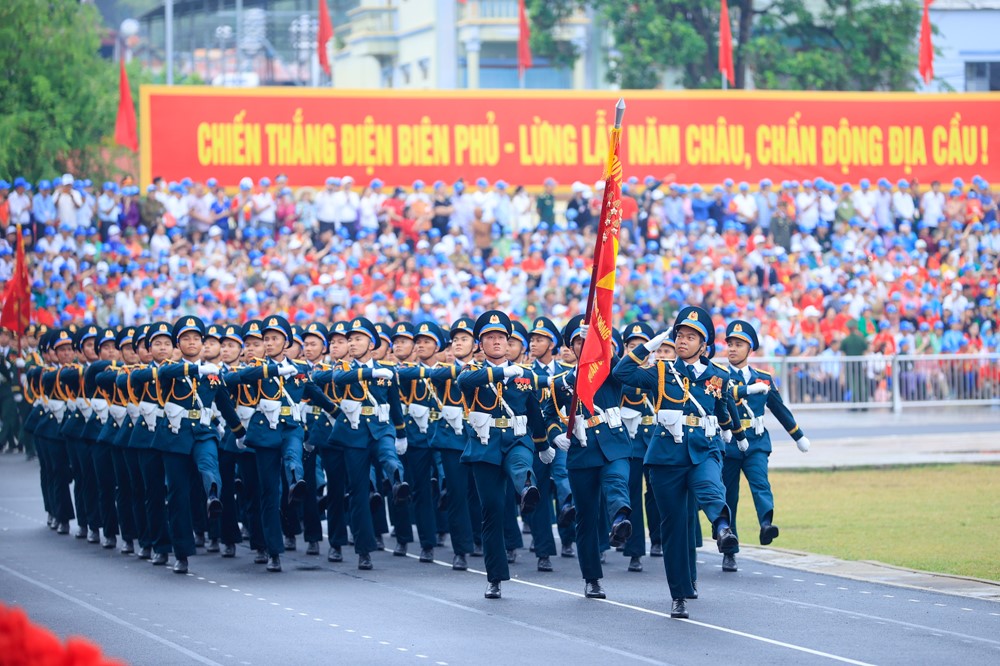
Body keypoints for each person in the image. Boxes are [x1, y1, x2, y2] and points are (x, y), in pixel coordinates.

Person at [613, 306, 747, 619]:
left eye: (691, 337)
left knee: (711, 487)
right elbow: (622, 374)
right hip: (666, 457)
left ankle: (723, 529)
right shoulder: (661, 371)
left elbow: (724, 408)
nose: (683, 341)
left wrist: (734, 432)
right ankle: (679, 595)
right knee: (673, 527)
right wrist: (649, 345)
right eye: (680, 335)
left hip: (704, 448)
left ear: (704, 344)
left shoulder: (719, 376)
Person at [456, 310, 551, 599]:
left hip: (516, 438)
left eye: (501, 337)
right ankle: (495, 577)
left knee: (522, 465)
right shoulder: (471, 371)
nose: (496, 341)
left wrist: (543, 444)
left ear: (509, 342)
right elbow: (465, 383)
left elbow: (534, 411)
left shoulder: (524, 375)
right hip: (485, 446)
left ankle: (527, 489)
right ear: (480, 343)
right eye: (490, 337)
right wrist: (500, 373)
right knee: (493, 511)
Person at [543, 315, 632, 599]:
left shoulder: (610, 370)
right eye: (579, 341)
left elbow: (622, 366)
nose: (585, 345)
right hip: (581, 453)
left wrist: (601, 341)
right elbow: (548, 415)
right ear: (571, 346)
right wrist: (555, 434)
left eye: (588, 340)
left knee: (616, 481)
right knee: (586, 517)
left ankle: (620, 520)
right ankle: (592, 578)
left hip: (614, 444)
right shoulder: (560, 382)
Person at [722, 320, 811, 573]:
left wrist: (798, 436)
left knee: (761, 483)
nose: (732, 349)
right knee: (729, 496)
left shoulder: (764, 379)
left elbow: (780, 410)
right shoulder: (720, 377)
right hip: (729, 444)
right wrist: (748, 390)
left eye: (738, 345)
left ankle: (766, 524)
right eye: (730, 344)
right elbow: (726, 395)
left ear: (750, 349)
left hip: (756, 442)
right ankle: (729, 549)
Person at [321, 316, 410, 571]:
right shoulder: (343, 367)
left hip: (381, 429)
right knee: (359, 493)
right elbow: (339, 380)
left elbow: (394, 404)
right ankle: (364, 551)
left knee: (389, 457)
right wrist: (371, 372)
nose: (351, 343)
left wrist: (401, 433)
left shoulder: (387, 370)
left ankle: (397, 482)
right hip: (354, 434)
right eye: (349, 339)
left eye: (357, 339)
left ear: (371, 344)